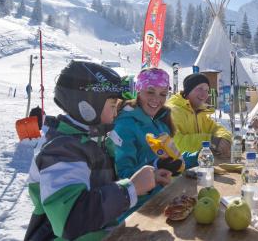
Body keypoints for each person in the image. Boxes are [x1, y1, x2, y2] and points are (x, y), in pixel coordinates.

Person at [24, 61, 171, 241]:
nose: (116, 112)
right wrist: (130, 189)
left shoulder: (94, 141)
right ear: (87, 106)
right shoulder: (61, 151)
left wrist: (149, 177)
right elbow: (70, 220)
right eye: (112, 105)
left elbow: (103, 189)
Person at [113, 67, 199, 218]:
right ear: (138, 90)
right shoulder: (124, 126)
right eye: (150, 92)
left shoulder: (159, 123)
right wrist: (155, 167)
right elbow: (123, 177)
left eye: (163, 94)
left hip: (163, 198)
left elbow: (173, 158)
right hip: (138, 210)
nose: (156, 99)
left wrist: (198, 157)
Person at [166, 73, 232, 156]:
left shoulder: (199, 112)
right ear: (188, 90)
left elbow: (216, 129)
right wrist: (210, 141)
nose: (204, 94)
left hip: (198, 164)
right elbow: (175, 144)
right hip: (175, 166)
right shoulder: (172, 111)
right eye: (200, 88)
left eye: (207, 90)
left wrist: (224, 138)